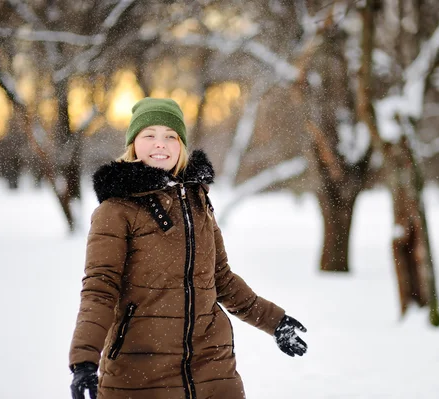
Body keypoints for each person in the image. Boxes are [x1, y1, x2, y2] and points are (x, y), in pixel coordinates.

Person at [69, 98, 307, 399]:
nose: (161, 144)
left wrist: (274, 321)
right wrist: (84, 361)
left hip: (213, 369)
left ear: (181, 144)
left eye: (171, 136)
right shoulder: (116, 211)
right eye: (149, 135)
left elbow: (222, 279)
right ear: (133, 144)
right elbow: (100, 288)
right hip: (140, 371)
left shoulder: (197, 202)